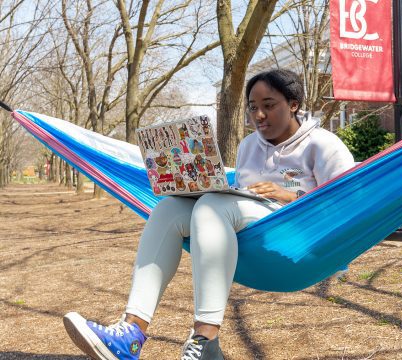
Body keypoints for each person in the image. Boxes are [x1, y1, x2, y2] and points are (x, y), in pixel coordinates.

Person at [62, 69, 355, 360]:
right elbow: (240, 197)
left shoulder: (323, 144)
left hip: (298, 235)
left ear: (293, 104)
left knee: (212, 205)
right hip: (249, 235)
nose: (259, 115)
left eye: (269, 105)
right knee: (169, 209)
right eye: (253, 108)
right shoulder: (248, 146)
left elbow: (349, 201)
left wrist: (290, 195)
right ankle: (131, 335)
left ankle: (205, 341)